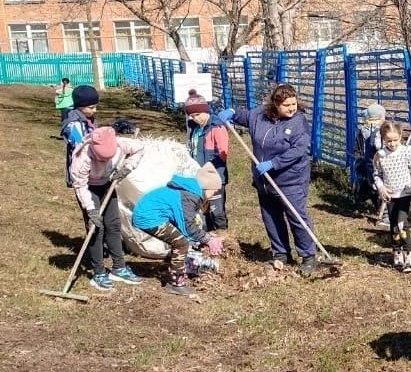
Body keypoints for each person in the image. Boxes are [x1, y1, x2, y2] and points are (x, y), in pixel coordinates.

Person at [217, 83, 318, 275]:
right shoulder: (259, 116)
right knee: (271, 217)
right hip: (264, 181)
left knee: (297, 217)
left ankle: (308, 256)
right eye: (286, 105)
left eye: (293, 103)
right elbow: (244, 116)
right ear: (275, 105)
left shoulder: (298, 122)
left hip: (291, 179)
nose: (291, 108)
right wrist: (231, 112)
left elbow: (299, 150)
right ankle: (280, 253)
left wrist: (275, 163)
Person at [68, 126, 146, 292]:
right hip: (89, 188)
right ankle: (99, 273)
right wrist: (91, 210)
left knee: (114, 224)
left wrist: (127, 167)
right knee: (96, 228)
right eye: (101, 159)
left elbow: (140, 148)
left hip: (107, 184)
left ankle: (119, 268)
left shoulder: (120, 143)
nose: (103, 161)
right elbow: (80, 185)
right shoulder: (82, 156)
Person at [131, 165, 226, 296]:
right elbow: (188, 227)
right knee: (181, 243)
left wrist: (203, 236)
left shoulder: (189, 192)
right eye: (214, 191)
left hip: (152, 214)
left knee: (180, 239)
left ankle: (174, 265)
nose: (214, 194)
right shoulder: (190, 197)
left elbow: (186, 224)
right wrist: (208, 239)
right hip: (148, 218)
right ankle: (176, 283)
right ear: (206, 188)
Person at [373, 121, 411, 272]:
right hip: (390, 195)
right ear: (383, 139)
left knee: (402, 223)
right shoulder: (380, 156)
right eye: (389, 141)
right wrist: (381, 187)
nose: (392, 144)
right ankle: (397, 252)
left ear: (400, 137)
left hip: (405, 193)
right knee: (394, 225)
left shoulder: (406, 151)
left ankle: (410, 255)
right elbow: (377, 175)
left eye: (395, 140)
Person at [184, 91, 229, 230]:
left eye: (197, 115)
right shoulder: (194, 129)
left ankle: (223, 237)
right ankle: (208, 237)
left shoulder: (217, 127)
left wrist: (209, 167)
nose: (195, 118)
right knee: (203, 211)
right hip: (197, 177)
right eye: (191, 116)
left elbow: (223, 153)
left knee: (217, 211)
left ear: (205, 110)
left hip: (214, 177)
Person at [60, 84, 99, 187]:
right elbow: (80, 144)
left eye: (96, 107)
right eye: (91, 107)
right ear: (80, 106)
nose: (95, 110)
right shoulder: (73, 124)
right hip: (81, 169)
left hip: (93, 166)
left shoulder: (88, 119)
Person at [356, 103, 388, 224]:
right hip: (380, 167)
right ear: (380, 117)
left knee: (376, 189)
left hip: (368, 165)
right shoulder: (379, 132)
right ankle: (385, 217)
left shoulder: (363, 129)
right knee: (384, 192)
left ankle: (371, 203)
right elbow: (380, 148)